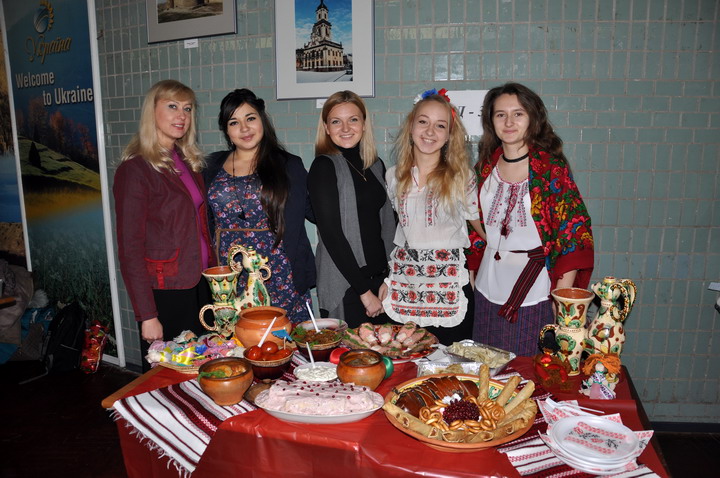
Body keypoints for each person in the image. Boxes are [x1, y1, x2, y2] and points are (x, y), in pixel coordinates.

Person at [467, 82, 594, 357]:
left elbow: (572, 233)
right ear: (490, 121)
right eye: (501, 114)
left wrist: (561, 299)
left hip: (535, 290)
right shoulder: (484, 168)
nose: (509, 122)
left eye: (518, 114)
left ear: (533, 118)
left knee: (529, 369)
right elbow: (473, 224)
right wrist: (473, 272)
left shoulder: (550, 169)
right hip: (487, 287)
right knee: (486, 366)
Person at [113, 79, 214, 371]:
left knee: (203, 369)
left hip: (200, 283)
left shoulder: (187, 161)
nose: (181, 115)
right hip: (167, 291)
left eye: (187, 108)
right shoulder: (135, 169)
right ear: (152, 111)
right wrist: (147, 315)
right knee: (168, 377)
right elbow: (130, 249)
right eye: (172, 106)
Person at [204, 89, 315, 324]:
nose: (244, 128)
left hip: (278, 273)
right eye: (234, 122)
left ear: (262, 119)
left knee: (284, 340)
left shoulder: (288, 165)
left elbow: (315, 210)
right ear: (226, 130)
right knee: (235, 341)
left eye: (250, 118)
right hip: (229, 277)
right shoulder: (210, 165)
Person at [383, 89, 482, 345]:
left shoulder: (463, 177)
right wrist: (387, 278)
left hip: (448, 284)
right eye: (423, 121)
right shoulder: (393, 176)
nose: (430, 131)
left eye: (440, 125)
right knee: (405, 361)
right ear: (411, 127)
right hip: (405, 284)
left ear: (449, 135)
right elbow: (399, 232)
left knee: (452, 361)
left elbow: (481, 229)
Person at [307, 90, 396, 327]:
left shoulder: (375, 165)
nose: (345, 128)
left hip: (382, 283)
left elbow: (389, 224)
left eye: (353, 119)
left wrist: (390, 278)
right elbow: (332, 235)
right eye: (336, 121)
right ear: (326, 128)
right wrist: (364, 292)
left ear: (364, 124)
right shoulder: (323, 167)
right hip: (348, 286)